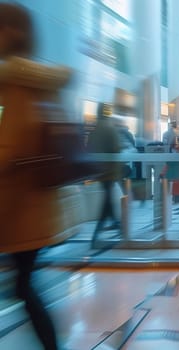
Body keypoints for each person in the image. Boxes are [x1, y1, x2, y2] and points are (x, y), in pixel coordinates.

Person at [0, 4, 69, 349]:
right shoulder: (42, 80)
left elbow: (10, 146)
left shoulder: (14, 80)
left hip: (15, 203)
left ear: (11, 32)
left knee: (23, 285)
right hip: (37, 201)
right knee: (23, 284)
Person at [87, 103, 122, 246]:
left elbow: (88, 147)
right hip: (110, 170)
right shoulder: (110, 128)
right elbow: (116, 149)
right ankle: (98, 230)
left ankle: (115, 221)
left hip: (98, 169)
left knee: (107, 194)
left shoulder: (94, 129)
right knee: (107, 198)